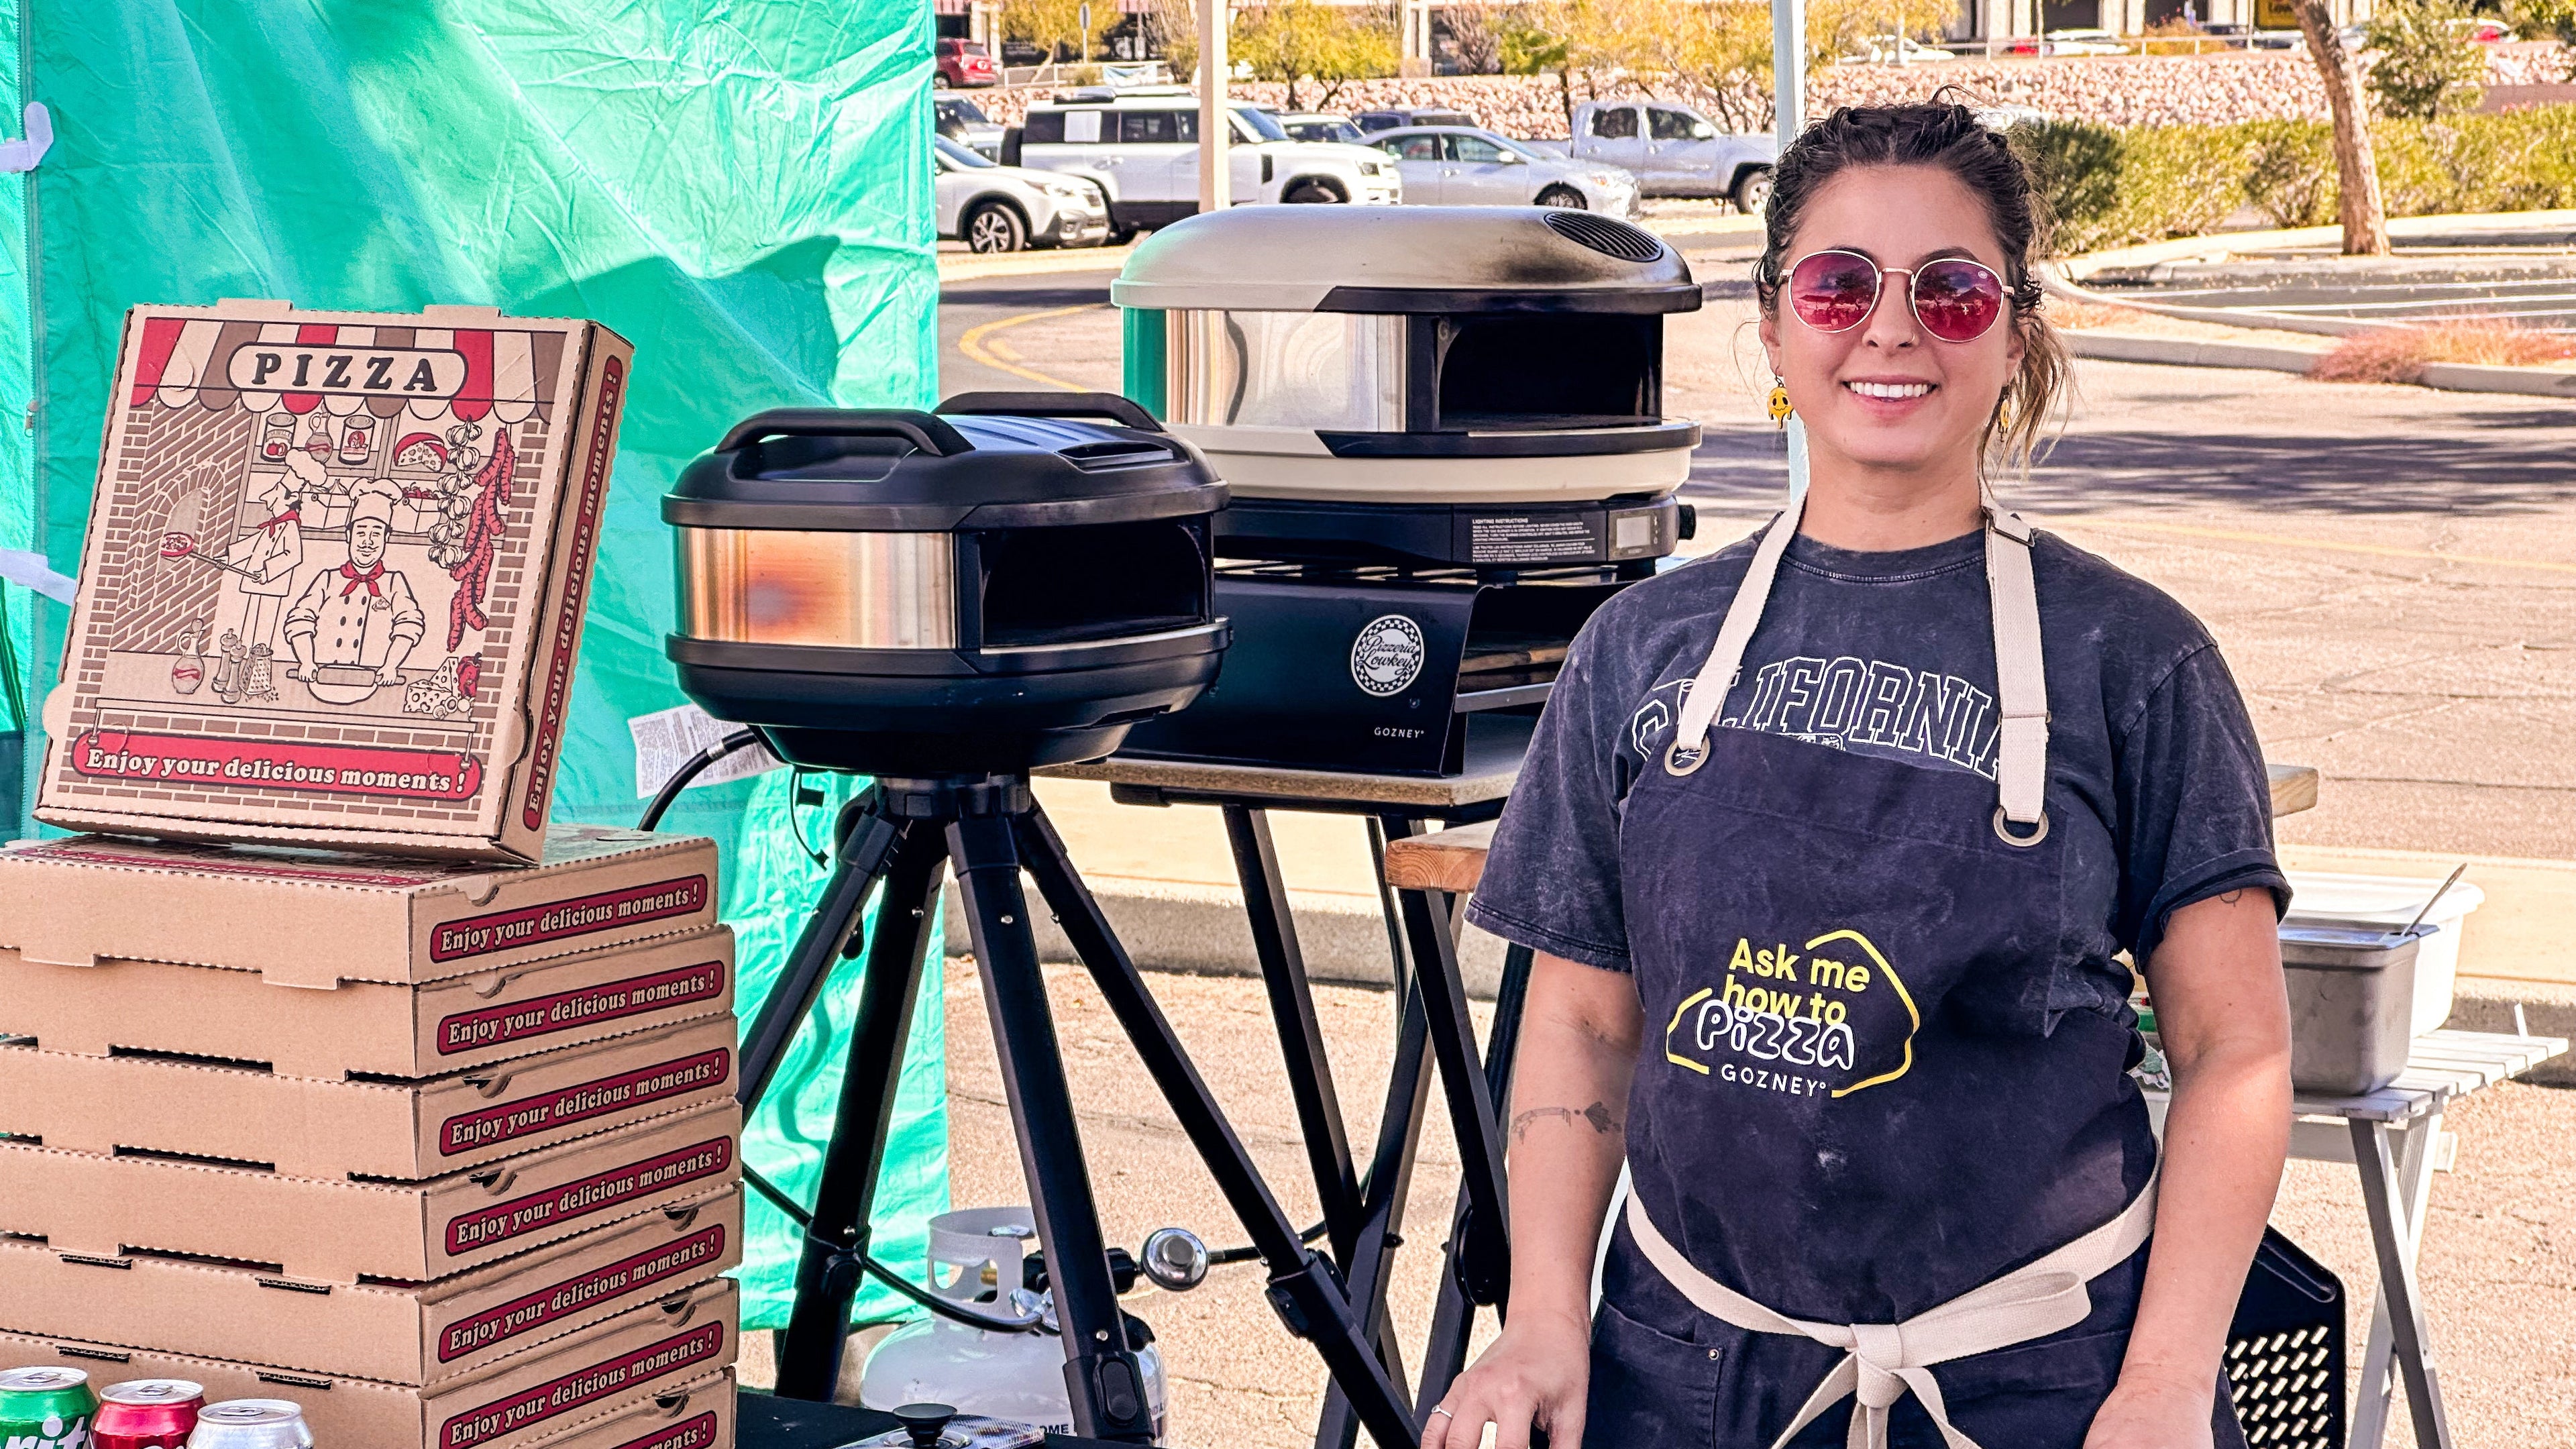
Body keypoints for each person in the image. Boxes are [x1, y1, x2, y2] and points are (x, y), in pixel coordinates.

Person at [1427, 100, 2292, 1449]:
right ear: (1775, 330)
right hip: (1685, 1381)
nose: (1889, 330)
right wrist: (1543, 1321)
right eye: (1840, 287)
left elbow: (2235, 1050)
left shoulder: (2138, 660)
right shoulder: (1640, 646)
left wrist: (2170, 1385)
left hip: (2043, 1385)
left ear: (2014, 337)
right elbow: (1586, 1021)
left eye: (1950, 292)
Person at [283, 478, 426, 690]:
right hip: (322, 677)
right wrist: (306, 661)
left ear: (387, 537)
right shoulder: (328, 578)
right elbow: (300, 620)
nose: (367, 542)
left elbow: (410, 625)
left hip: (372, 681)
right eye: (361, 532)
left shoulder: (394, 582)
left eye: (376, 533)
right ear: (349, 535)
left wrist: (391, 666)